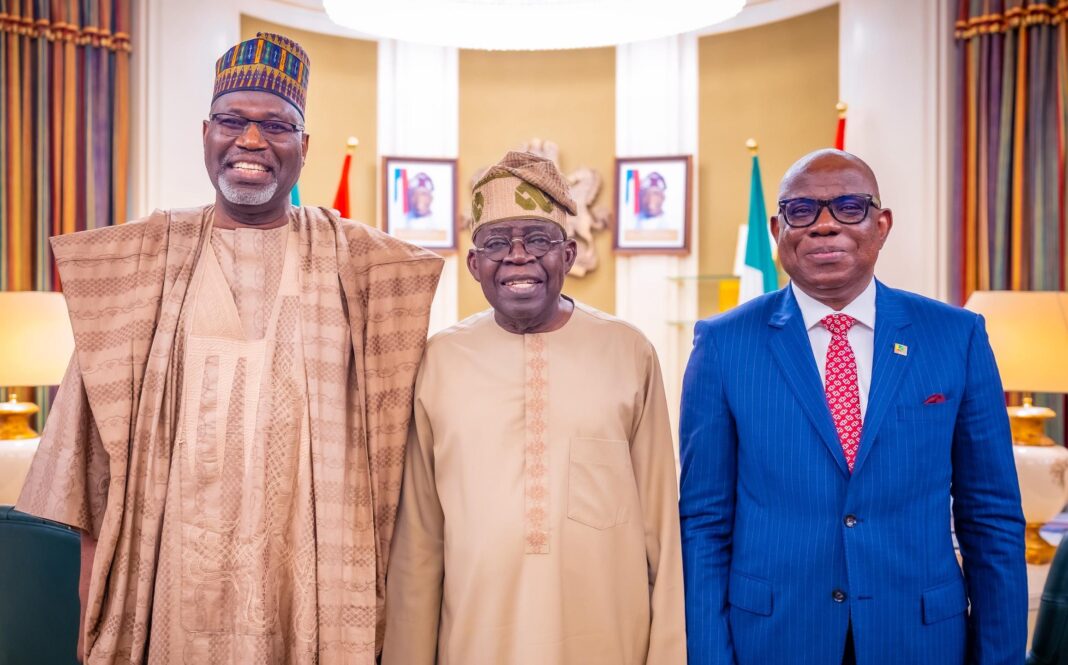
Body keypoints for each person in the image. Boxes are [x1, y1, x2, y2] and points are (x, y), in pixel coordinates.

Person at [16, 32, 443, 664]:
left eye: (277, 125)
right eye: (232, 120)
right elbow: (92, 463)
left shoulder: (362, 267)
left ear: (304, 145)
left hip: (312, 592)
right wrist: (93, 604)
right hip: (170, 590)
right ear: (205, 132)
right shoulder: (146, 268)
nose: (251, 141)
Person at [679, 149, 1026, 665]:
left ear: (881, 225)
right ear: (777, 229)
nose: (823, 226)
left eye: (848, 207)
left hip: (919, 638)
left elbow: (991, 517)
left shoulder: (956, 337)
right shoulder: (724, 344)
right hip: (773, 639)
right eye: (802, 211)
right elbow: (704, 523)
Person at [381, 151, 687, 664]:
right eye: (497, 243)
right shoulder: (438, 361)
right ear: (476, 263)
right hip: (476, 643)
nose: (518, 257)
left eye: (538, 240)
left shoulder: (628, 352)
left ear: (568, 254)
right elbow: (419, 540)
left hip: (610, 642)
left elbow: (662, 525)